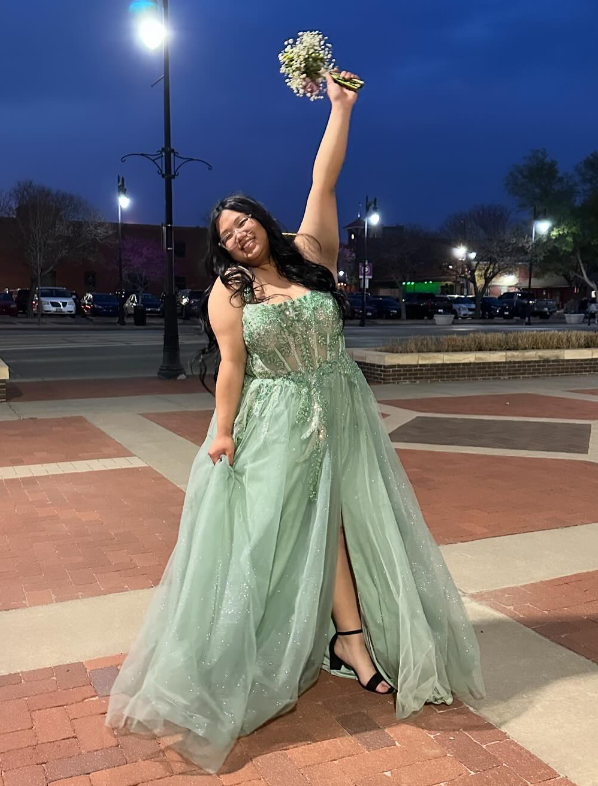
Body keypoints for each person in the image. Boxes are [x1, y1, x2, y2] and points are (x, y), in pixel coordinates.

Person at [106, 70, 484, 773]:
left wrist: (340, 109)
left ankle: (351, 638)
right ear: (222, 249)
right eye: (225, 234)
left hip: (338, 401)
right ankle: (320, 643)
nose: (238, 235)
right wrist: (222, 430)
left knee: (346, 514)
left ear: (263, 221)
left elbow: (324, 178)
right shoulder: (230, 291)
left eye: (243, 221)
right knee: (278, 533)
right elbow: (231, 368)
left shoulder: (312, 256)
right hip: (275, 414)